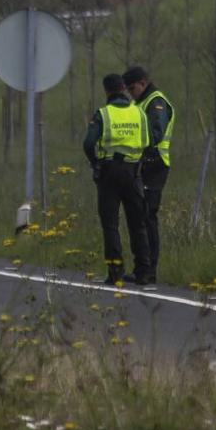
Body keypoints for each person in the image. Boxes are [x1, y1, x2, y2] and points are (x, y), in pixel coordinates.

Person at [83, 74, 152, 285]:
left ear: (107, 91)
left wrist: (96, 163)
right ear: (123, 88)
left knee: (111, 224)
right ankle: (143, 272)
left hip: (110, 172)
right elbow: (147, 142)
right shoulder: (139, 113)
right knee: (137, 224)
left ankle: (115, 272)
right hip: (134, 172)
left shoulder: (103, 114)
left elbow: (88, 143)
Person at [123, 66, 173, 284]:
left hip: (154, 164)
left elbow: (155, 134)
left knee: (147, 217)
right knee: (137, 217)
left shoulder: (156, 102)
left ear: (142, 83)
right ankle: (141, 269)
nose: (130, 92)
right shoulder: (140, 103)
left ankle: (150, 270)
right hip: (141, 164)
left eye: (132, 88)